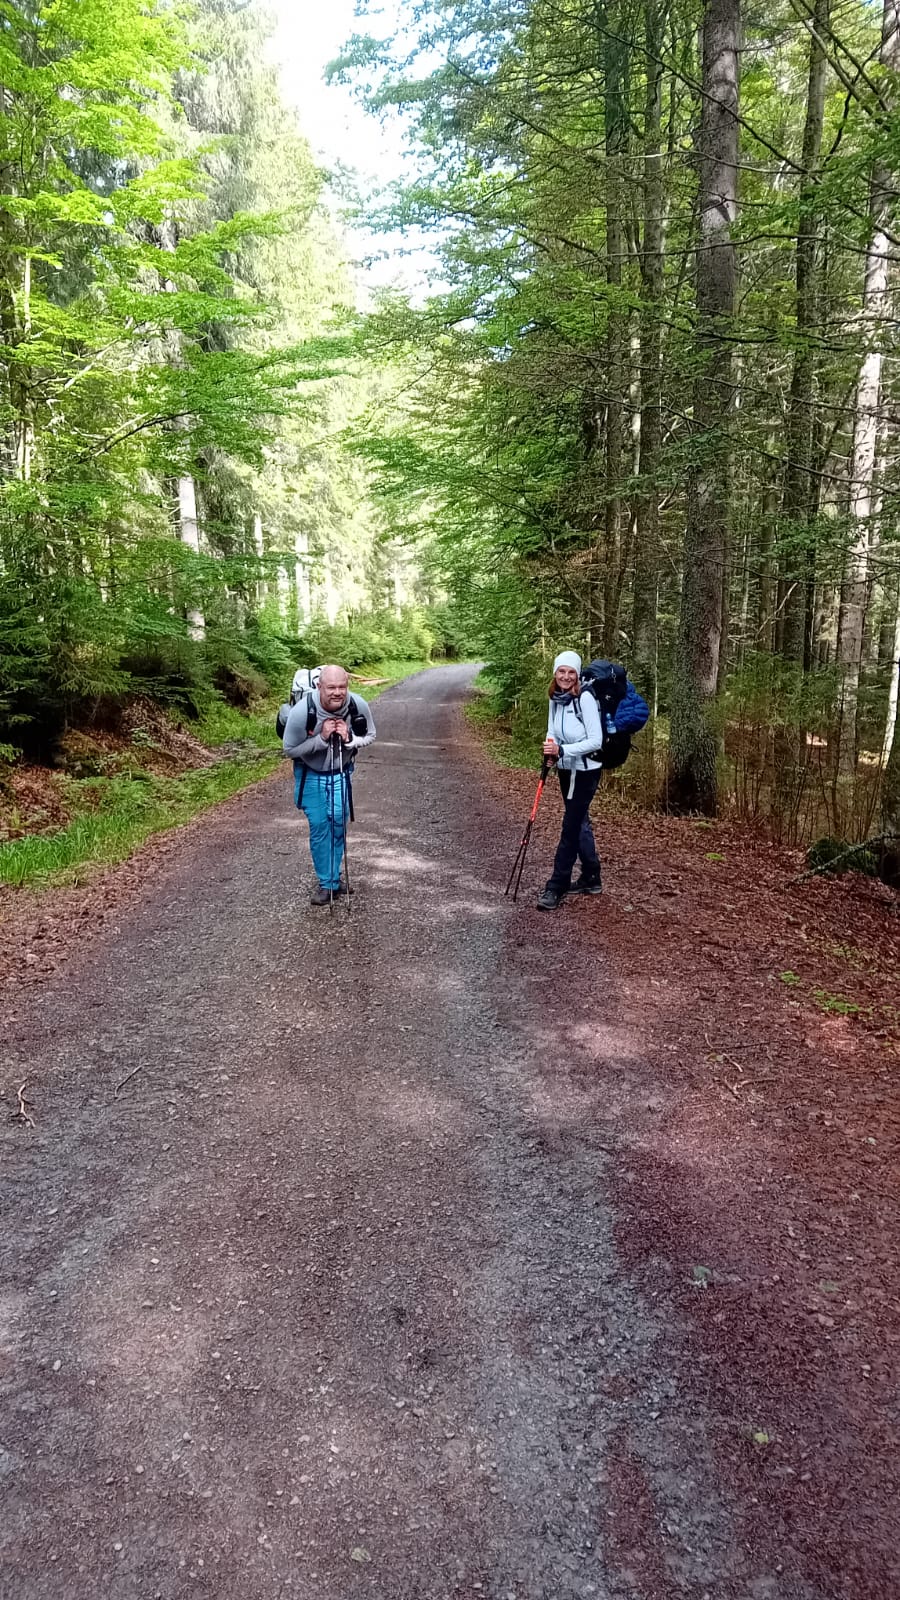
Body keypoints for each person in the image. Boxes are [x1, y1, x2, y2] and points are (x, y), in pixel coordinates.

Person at [282, 663, 376, 905]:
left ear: (348, 685)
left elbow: (370, 736)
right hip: (310, 773)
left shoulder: (357, 705)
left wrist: (350, 738)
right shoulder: (302, 712)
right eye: (331, 687)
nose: (337, 692)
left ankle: (333, 879)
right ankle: (327, 884)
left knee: (337, 824)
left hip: (340, 772)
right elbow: (289, 749)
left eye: (342, 687)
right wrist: (321, 738)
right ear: (319, 686)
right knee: (320, 826)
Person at [537, 650, 603, 911]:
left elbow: (595, 740)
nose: (566, 676)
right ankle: (591, 876)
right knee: (579, 821)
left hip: (585, 771)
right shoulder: (555, 696)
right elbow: (552, 729)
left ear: (577, 674)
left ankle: (557, 885)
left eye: (571, 672)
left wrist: (563, 751)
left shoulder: (585, 698)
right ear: (555, 673)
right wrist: (551, 749)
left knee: (570, 826)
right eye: (561, 671)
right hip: (566, 768)